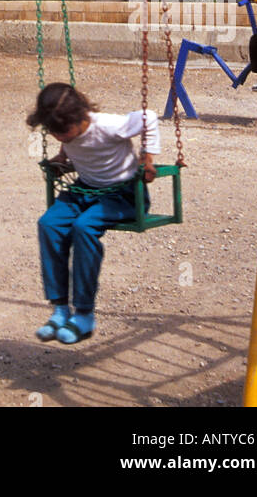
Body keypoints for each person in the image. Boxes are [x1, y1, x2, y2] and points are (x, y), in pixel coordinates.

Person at [27, 83, 159, 345]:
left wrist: (147, 158)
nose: (58, 136)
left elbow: (150, 118)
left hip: (123, 194)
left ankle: (84, 314)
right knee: (49, 224)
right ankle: (60, 309)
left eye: (62, 131)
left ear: (80, 117)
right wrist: (62, 159)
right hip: (85, 190)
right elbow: (73, 146)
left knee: (83, 228)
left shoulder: (109, 125)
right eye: (52, 131)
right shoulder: (65, 131)